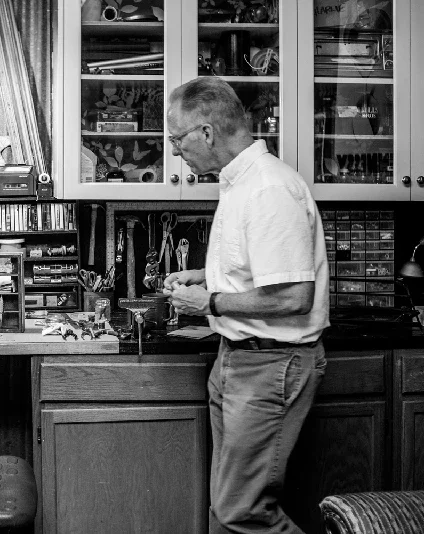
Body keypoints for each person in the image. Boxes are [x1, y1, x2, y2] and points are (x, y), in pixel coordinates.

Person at [162, 77, 329, 534]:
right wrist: (207, 276)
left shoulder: (269, 190)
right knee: (226, 510)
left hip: (270, 365)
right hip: (240, 359)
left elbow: (295, 296)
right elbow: (262, 271)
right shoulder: (240, 183)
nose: (176, 151)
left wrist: (209, 300)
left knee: (242, 513)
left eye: (177, 139)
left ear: (207, 133)